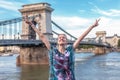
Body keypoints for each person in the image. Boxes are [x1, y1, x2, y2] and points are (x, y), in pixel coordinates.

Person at [25, 16, 100, 80]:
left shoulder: (70, 50)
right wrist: (31, 24)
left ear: (66, 42)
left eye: (63, 38)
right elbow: (42, 36)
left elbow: (81, 38)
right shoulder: (52, 50)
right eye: (59, 38)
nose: (61, 38)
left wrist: (92, 26)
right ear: (57, 41)